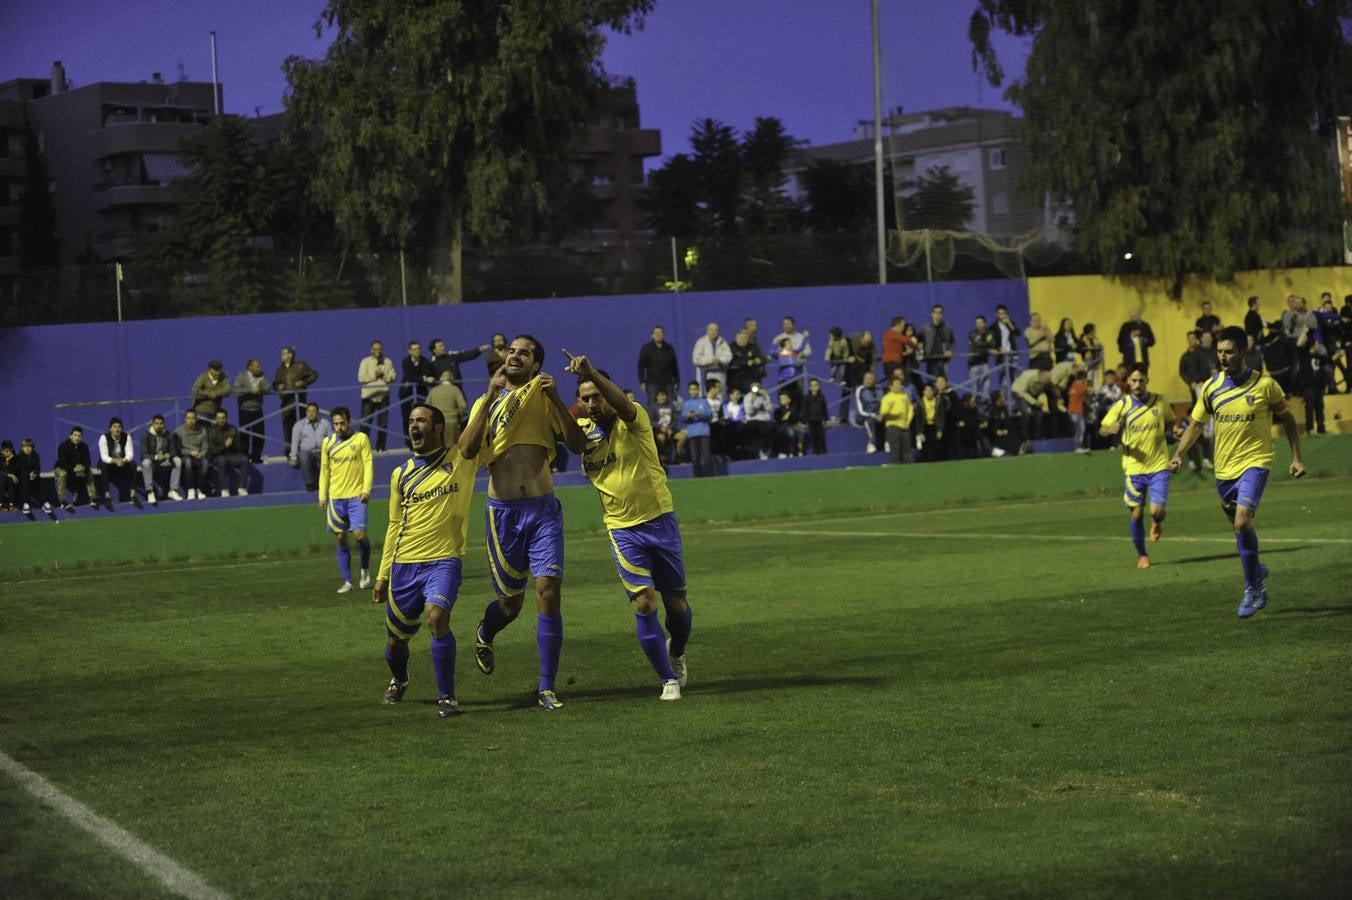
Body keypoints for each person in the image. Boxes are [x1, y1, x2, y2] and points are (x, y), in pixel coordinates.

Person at [459, 335, 587, 711]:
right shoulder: (488, 401)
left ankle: (546, 687)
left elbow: (578, 445)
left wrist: (557, 399)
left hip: (543, 510)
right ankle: (485, 632)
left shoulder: (542, 397)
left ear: (535, 365)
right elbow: (466, 450)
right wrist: (488, 398)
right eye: (511, 351)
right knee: (510, 606)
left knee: (547, 592)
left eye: (524, 353)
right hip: (503, 515)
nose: (515, 356)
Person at [565, 352, 693, 700]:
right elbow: (563, 434)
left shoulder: (634, 419)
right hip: (622, 529)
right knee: (643, 603)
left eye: (596, 396)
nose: (591, 404)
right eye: (584, 399)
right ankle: (667, 678)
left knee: (678, 608)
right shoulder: (582, 433)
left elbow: (622, 405)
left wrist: (590, 370)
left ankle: (677, 653)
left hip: (660, 520)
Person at [1169, 326, 1305, 618]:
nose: (1223, 357)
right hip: (1224, 469)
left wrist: (1296, 457)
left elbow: (1289, 419)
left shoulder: (1265, 385)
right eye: (1219, 351)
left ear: (1243, 352)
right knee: (1240, 528)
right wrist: (1178, 453)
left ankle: (1252, 587)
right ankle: (1256, 569)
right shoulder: (1210, 388)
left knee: (1242, 522)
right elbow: (1194, 425)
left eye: (1229, 351)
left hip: (1256, 461)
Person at [373, 403, 481, 718]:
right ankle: (401, 677)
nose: (414, 426)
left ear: (437, 427)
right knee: (395, 643)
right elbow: (394, 525)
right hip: (404, 565)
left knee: (436, 618)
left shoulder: (460, 459)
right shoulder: (400, 475)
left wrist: (489, 396)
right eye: (410, 421)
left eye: (421, 420)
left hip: (444, 560)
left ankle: (447, 698)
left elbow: (483, 436)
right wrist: (382, 576)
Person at [1099, 368, 1174, 568]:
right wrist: (1110, 429)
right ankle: (1142, 555)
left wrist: (1177, 430)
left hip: (1159, 466)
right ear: (1128, 382)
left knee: (1155, 511)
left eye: (1141, 380)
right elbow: (1102, 429)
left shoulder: (1160, 400)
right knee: (1136, 514)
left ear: (1147, 380)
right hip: (1134, 469)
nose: (1138, 384)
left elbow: (1171, 423)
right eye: (1134, 380)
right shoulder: (1122, 405)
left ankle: (1158, 521)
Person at [318, 406, 374, 594]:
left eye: (342, 423)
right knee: (341, 538)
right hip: (336, 498)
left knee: (359, 535)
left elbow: (368, 464)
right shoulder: (327, 443)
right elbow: (324, 470)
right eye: (336, 424)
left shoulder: (361, 439)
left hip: (357, 496)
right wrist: (322, 495)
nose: (339, 427)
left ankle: (365, 569)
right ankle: (348, 581)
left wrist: (366, 489)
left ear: (349, 422)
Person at [274, 346, 319, 460]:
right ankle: (290, 451)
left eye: (284, 353)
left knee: (302, 426)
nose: (282, 356)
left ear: (290, 355)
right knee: (288, 427)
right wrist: (278, 386)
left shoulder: (300, 366)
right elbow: (274, 384)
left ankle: (304, 450)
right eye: (281, 354)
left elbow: (314, 375)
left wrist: (303, 382)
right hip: (286, 401)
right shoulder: (279, 370)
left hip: (299, 400)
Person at [357, 339, 397, 452]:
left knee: (383, 424)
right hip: (368, 397)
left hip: (383, 396)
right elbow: (361, 377)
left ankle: (381, 447)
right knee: (365, 423)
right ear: (371, 350)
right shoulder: (365, 362)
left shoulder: (387, 361)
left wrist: (384, 375)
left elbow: (393, 376)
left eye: (379, 349)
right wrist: (374, 375)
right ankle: (363, 449)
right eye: (375, 349)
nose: (377, 351)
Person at [398, 340, 437, 447]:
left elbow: (425, 376)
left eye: (419, 349)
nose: (417, 351)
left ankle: (422, 441)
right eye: (414, 349)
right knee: (407, 418)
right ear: (410, 351)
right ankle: (409, 443)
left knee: (422, 417)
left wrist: (417, 379)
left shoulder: (425, 361)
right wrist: (423, 379)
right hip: (406, 394)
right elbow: (409, 377)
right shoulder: (406, 361)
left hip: (420, 393)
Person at [97, 417, 141, 508]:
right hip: (110, 463)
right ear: (110, 428)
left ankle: (133, 495)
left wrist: (123, 460)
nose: (117, 429)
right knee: (103, 466)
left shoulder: (126, 436)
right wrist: (115, 461)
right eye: (114, 426)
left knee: (133, 465)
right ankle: (107, 496)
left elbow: (130, 454)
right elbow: (104, 457)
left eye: (119, 426)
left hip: (122, 462)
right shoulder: (104, 438)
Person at [233, 358, 270, 463]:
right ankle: (245, 457)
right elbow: (235, 390)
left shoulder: (262, 376)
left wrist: (260, 389)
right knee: (244, 435)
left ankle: (256, 457)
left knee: (259, 435)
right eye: (257, 366)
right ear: (250, 367)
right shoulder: (241, 376)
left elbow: (268, 387)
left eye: (259, 366)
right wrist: (250, 390)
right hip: (245, 410)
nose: (259, 368)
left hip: (257, 410)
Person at [54, 426, 99, 512]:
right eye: (75, 435)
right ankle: (62, 501)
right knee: (63, 473)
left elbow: (88, 461)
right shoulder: (62, 446)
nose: (77, 438)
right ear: (70, 436)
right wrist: (74, 469)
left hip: (78, 469)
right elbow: (62, 463)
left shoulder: (84, 446)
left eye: (79, 436)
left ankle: (93, 498)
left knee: (88, 472)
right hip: (61, 468)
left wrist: (83, 467)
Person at [139, 413, 181, 503]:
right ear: (152, 424)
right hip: (153, 463)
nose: (159, 426)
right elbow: (143, 455)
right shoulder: (146, 435)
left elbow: (174, 451)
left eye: (161, 423)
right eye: (156, 423)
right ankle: (150, 492)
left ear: (164, 424)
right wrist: (156, 457)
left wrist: (167, 455)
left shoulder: (168, 435)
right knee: (145, 462)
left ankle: (173, 490)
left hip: (165, 461)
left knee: (177, 460)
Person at [290, 402, 332, 492]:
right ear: (306, 412)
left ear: (317, 413)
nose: (311, 413)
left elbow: (331, 440)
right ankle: (310, 484)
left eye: (313, 411)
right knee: (303, 455)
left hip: (322, 452)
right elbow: (295, 442)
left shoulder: (325, 423)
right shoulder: (299, 425)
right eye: (308, 411)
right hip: (308, 453)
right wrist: (293, 457)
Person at [636, 325, 680, 411]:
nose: (658, 335)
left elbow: (674, 366)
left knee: (670, 404)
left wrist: (677, 381)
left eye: (660, 333)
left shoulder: (669, 348)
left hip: (668, 382)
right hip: (652, 383)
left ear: (664, 335)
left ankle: (671, 424)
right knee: (652, 405)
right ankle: (653, 424)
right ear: (652, 335)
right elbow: (641, 366)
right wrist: (642, 381)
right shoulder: (646, 348)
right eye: (656, 333)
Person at [207, 410, 248, 497]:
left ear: (226, 418)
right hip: (217, 458)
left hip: (232, 457)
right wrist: (225, 446)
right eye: (219, 418)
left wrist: (232, 445)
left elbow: (238, 447)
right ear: (215, 419)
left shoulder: (233, 429)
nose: (221, 420)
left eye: (223, 418)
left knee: (244, 459)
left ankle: (242, 488)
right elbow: (212, 450)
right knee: (222, 460)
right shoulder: (211, 430)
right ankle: (224, 489)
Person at [173, 410, 210, 500]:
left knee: (205, 463)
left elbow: (206, 447)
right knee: (188, 462)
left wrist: (201, 454)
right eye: (188, 418)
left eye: (193, 418)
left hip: (199, 456)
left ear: (196, 419)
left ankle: (199, 490)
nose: (191, 420)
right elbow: (177, 449)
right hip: (185, 456)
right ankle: (191, 490)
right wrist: (190, 452)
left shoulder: (203, 431)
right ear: (185, 419)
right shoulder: (178, 431)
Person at [878, 376, 914, 464]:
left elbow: (910, 409)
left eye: (900, 384)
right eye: (896, 384)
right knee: (895, 451)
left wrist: (908, 421)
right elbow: (883, 414)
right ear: (890, 386)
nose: (899, 386)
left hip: (905, 427)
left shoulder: (905, 396)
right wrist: (894, 413)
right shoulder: (886, 398)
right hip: (893, 427)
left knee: (907, 452)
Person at [427, 372, 468, 445]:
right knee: (451, 448)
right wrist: (457, 414)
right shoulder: (455, 390)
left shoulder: (433, 391)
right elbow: (463, 406)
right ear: (451, 378)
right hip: (451, 423)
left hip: (436, 423)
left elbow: (427, 407)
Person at [680, 380, 714, 471]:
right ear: (688, 391)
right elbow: (682, 418)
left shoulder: (704, 401)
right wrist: (688, 416)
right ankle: (698, 477)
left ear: (698, 390)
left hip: (704, 432)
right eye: (691, 389)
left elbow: (710, 416)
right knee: (695, 458)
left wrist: (699, 415)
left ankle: (709, 477)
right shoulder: (686, 404)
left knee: (706, 456)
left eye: (695, 389)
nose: (693, 391)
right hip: (692, 433)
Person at [15, 438, 52, 517]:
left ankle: (44, 502)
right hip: (23, 478)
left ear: (32, 448)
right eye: (25, 446)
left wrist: (34, 474)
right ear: (22, 448)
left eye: (29, 446)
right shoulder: (19, 456)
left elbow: (38, 469)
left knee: (40, 479)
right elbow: (21, 469)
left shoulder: (36, 455)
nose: (27, 448)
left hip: (33, 477)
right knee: (24, 476)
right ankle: (25, 503)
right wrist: (29, 474)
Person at [691, 322, 731, 391]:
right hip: (705, 376)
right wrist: (711, 360)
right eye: (711, 330)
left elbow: (729, 357)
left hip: (719, 375)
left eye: (716, 330)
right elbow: (696, 359)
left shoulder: (723, 342)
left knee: (719, 397)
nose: (714, 332)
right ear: (707, 331)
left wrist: (720, 360)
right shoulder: (701, 342)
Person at [919, 305, 955, 380]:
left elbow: (952, 342)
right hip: (930, 360)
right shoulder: (925, 329)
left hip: (943, 360)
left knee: (943, 383)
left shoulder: (947, 328)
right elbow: (919, 343)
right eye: (935, 312)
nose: (937, 315)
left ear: (942, 315)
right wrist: (920, 354)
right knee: (931, 383)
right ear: (932, 314)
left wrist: (950, 351)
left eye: (939, 313)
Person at [851, 370, 883, 453]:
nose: (868, 381)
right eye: (867, 379)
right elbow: (861, 410)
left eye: (871, 379)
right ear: (863, 380)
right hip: (862, 415)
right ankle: (871, 443)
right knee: (869, 419)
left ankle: (888, 442)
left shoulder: (880, 389)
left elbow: (884, 404)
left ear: (874, 380)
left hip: (878, 413)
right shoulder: (860, 390)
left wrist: (881, 414)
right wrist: (874, 416)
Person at [992, 304, 1021, 393]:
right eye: (1000, 313)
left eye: (1004, 313)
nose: (1002, 315)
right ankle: (1005, 403)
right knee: (1004, 380)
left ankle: (1016, 403)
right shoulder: (993, 327)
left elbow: (1018, 333)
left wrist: (1009, 323)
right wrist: (999, 349)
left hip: (1012, 355)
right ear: (996, 314)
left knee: (1016, 380)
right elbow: (992, 343)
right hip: (1001, 357)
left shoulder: (1010, 323)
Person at [743, 381, 774, 459]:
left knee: (770, 428)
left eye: (758, 387)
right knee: (751, 429)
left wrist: (765, 398)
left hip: (764, 420)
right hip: (752, 420)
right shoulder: (748, 396)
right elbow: (748, 412)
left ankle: (765, 451)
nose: (756, 389)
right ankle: (754, 453)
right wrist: (752, 401)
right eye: (754, 387)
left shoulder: (765, 395)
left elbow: (770, 410)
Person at [967, 315, 996, 398]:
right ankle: (976, 408)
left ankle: (985, 407)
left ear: (984, 323)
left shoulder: (989, 332)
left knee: (987, 387)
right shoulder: (972, 334)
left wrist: (989, 346)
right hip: (973, 364)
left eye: (980, 323)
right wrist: (988, 349)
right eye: (977, 323)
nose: (978, 325)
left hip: (984, 363)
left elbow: (992, 344)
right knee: (975, 389)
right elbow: (977, 348)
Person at [773, 389, 805, 457]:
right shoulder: (778, 411)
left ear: (789, 399)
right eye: (781, 399)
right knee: (790, 432)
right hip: (782, 428)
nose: (782, 400)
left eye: (784, 398)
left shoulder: (793, 410)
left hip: (792, 426)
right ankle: (790, 452)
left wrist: (790, 412)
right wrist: (788, 413)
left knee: (801, 430)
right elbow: (780, 421)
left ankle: (800, 451)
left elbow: (795, 420)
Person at [802, 378, 829, 455]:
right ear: (810, 387)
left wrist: (825, 418)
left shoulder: (822, 397)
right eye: (812, 385)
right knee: (813, 437)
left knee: (821, 436)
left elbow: (824, 408)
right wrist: (805, 420)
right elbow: (805, 410)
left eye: (816, 385)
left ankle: (823, 451)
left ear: (819, 386)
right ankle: (815, 452)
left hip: (820, 420)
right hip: (811, 420)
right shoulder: (806, 398)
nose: (814, 387)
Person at [881, 317, 907, 384]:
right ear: (897, 325)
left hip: (888, 363)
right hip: (893, 363)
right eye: (903, 326)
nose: (903, 328)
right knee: (897, 382)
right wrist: (917, 346)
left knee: (892, 382)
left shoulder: (887, 336)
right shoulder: (893, 334)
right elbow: (907, 341)